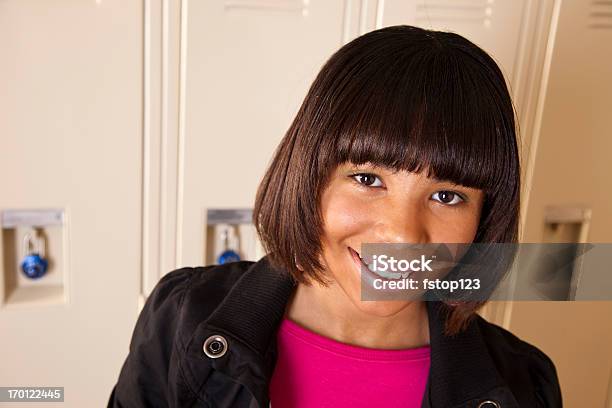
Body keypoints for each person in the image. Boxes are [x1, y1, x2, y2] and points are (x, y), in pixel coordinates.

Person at [108, 25, 562, 407]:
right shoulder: (182, 316)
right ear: (308, 176)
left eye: (446, 196)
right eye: (367, 179)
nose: (403, 234)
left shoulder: (527, 385)